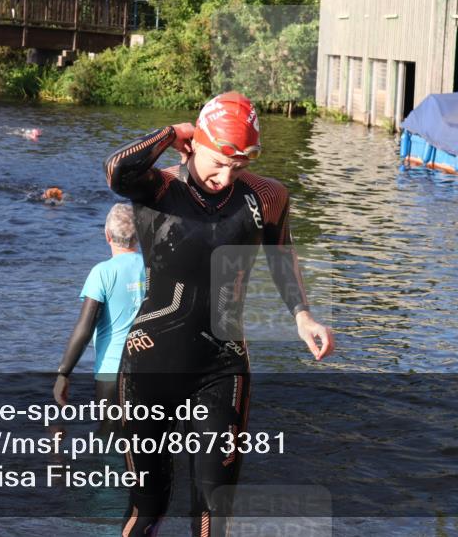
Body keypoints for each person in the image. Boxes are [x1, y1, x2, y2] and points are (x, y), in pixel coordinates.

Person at [104, 91, 335, 536]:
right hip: (151, 362)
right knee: (148, 505)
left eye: (240, 166)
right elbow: (118, 169)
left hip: (222, 367)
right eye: (218, 160)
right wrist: (173, 133)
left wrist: (302, 314)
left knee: (215, 507)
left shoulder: (267, 196)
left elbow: (281, 254)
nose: (225, 176)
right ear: (194, 144)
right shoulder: (159, 187)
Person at [53, 204, 145, 435]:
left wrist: (64, 373)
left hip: (111, 372)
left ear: (107, 235)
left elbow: (85, 328)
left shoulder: (102, 272)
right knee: (150, 443)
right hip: (153, 369)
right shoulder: (155, 266)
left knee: (112, 441)